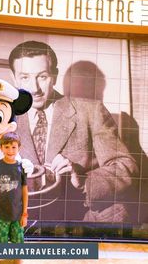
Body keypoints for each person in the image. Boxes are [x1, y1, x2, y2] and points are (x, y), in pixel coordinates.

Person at [8, 40, 139, 222]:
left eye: (42, 76)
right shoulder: (0, 116)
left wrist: (84, 180)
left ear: (54, 75)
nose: (34, 88)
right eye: (25, 77)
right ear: (14, 77)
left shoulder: (91, 111)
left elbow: (126, 167)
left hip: (80, 219)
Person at [0, 132, 28, 264]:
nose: (10, 150)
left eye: (13, 147)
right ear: (1, 148)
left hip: (17, 216)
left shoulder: (21, 168)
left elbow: (25, 191)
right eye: (7, 147)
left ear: (19, 148)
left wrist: (24, 214)